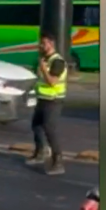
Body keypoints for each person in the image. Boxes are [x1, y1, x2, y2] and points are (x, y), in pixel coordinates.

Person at [26, 32, 68, 175]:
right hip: (42, 99)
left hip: (54, 100)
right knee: (36, 126)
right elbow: (39, 80)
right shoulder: (43, 59)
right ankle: (40, 152)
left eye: (44, 43)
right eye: (41, 43)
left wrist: (43, 68)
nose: (41, 46)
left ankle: (58, 161)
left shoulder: (57, 61)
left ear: (51, 44)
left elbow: (52, 81)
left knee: (50, 129)